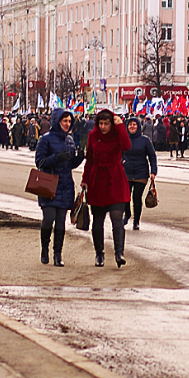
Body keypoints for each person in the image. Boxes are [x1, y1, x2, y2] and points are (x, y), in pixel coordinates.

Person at [35, 108, 85, 266]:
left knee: (61, 223)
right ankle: (44, 248)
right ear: (57, 121)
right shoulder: (45, 139)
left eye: (69, 121)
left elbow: (69, 165)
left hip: (65, 185)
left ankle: (58, 254)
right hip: (48, 185)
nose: (67, 124)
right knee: (48, 219)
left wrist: (79, 158)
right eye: (65, 121)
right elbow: (40, 162)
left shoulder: (70, 140)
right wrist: (56, 157)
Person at [81, 110, 131, 268]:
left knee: (117, 218)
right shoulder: (92, 136)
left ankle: (119, 253)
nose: (103, 127)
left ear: (111, 123)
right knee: (98, 220)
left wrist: (121, 126)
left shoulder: (117, 135)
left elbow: (127, 146)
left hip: (115, 178)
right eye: (101, 123)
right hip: (97, 180)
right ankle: (99, 254)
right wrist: (85, 180)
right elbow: (89, 159)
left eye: (106, 124)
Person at [122, 116, 157, 231]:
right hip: (126, 172)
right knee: (125, 197)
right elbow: (118, 153)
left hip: (141, 173)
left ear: (138, 126)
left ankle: (136, 221)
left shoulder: (145, 140)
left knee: (137, 197)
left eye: (134, 124)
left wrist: (153, 171)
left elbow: (152, 156)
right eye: (130, 124)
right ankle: (127, 215)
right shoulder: (124, 139)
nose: (132, 126)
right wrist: (121, 161)